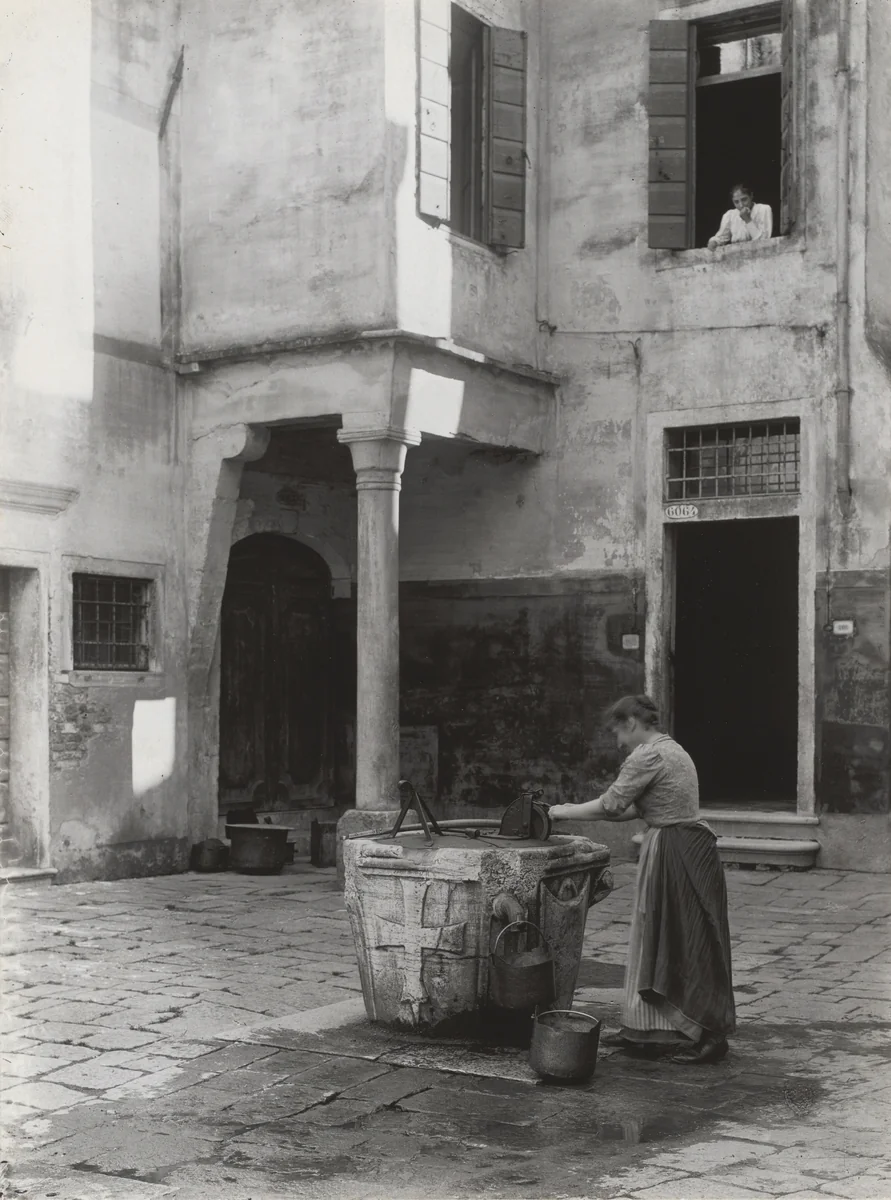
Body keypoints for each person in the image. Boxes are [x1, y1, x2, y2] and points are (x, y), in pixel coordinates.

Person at [549, 695, 735, 1065]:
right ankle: (644, 1029)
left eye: (619, 732)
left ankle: (708, 1033)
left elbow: (612, 805)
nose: (619, 742)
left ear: (632, 723)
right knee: (660, 936)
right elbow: (636, 808)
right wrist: (574, 812)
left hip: (674, 851)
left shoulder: (647, 755)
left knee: (681, 938)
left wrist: (562, 811)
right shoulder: (674, 750)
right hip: (687, 846)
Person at [708, 184, 773, 249]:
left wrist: (747, 220)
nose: (741, 205)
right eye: (736, 202)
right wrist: (714, 242)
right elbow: (721, 237)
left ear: (751, 196)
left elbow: (763, 241)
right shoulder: (730, 215)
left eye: (744, 199)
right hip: (736, 253)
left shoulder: (763, 209)